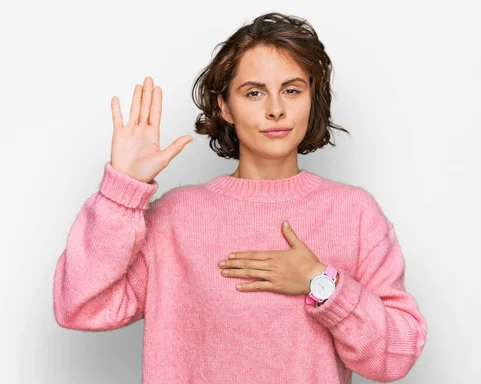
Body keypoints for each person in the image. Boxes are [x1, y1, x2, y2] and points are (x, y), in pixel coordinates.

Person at [52, 12, 428, 384]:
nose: (276, 108)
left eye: (292, 90)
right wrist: (122, 192)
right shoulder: (174, 217)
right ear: (225, 106)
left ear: (312, 99)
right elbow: (79, 306)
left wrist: (320, 281)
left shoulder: (354, 214)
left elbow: (394, 358)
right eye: (254, 92)